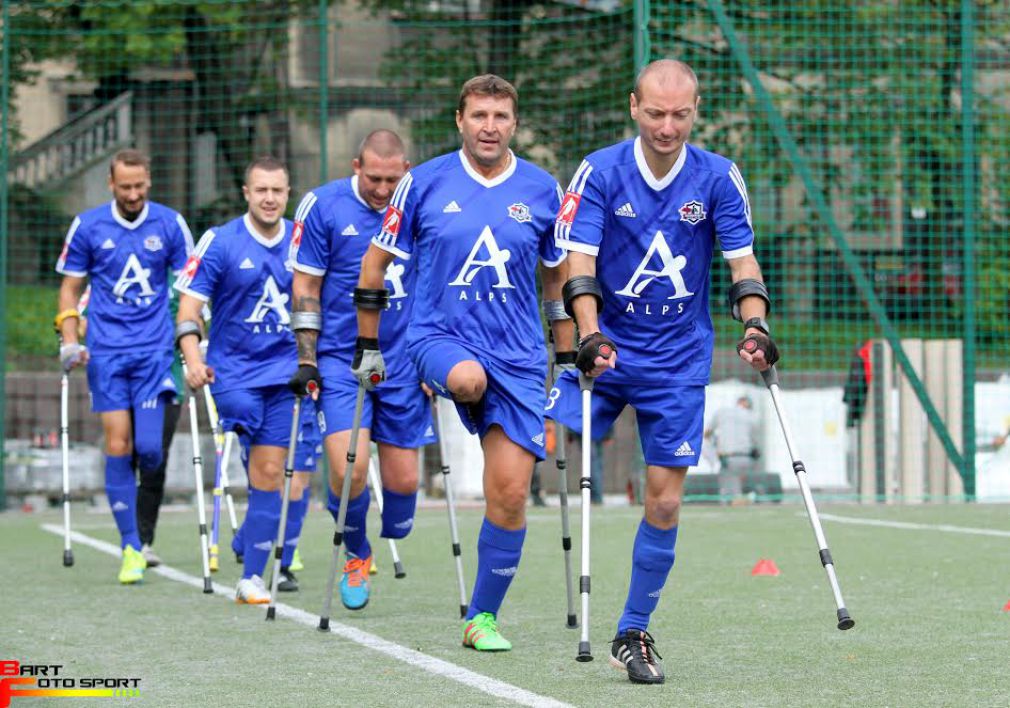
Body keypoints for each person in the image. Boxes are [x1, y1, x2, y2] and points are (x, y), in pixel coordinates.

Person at [547, 59, 779, 684]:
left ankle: (633, 630)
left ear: (695, 111)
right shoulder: (600, 170)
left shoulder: (718, 177)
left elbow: (742, 264)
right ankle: (487, 603)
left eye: (680, 114)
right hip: (608, 349)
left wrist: (754, 326)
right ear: (633, 106)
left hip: (677, 362)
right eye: (656, 113)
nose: (667, 126)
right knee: (533, 449)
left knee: (666, 501)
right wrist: (589, 334)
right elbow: (579, 260)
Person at [352, 75, 574, 651]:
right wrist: (369, 345)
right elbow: (373, 268)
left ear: (514, 124)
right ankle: (457, 395)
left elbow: (556, 277)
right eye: (479, 115)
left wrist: (568, 348)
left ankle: (481, 618)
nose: (490, 127)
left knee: (509, 494)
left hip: (521, 357)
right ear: (460, 120)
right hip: (438, 338)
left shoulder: (543, 189)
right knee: (467, 378)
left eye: (501, 116)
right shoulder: (421, 184)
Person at [288, 129, 433, 611]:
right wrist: (307, 360)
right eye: (374, 178)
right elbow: (306, 286)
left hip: (404, 358)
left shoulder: (421, 203)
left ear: (406, 170)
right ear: (356, 166)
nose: (383, 189)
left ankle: (385, 529)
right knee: (348, 467)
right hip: (339, 357)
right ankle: (357, 551)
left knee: (404, 487)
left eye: (393, 179)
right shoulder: (322, 206)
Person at [174, 156, 320, 604]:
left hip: (285, 375)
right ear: (246, 192)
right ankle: (257, 532)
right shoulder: (220, 242)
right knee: (256, 451)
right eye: (262, 190)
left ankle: (251, 577)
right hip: (234, 374)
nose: (270, 199)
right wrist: (194, 359)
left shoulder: (304, 240)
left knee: (272, 473)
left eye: (278, 190)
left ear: (288, 191)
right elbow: (188, 312)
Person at [54, 149, 194, 584]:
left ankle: (137, 534)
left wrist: (189, 341)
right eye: (125, 187)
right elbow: (70, 287)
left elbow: (189, 284)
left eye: (140, 186)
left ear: (148, 182)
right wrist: (71, 340)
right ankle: (132, 546)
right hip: (108, 353)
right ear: (111, 185)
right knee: (118, 446)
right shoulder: (89, 226)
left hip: (154, 353)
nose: (133, 194)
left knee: (149, 451)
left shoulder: (170, 224)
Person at [705, 395, 760, 504]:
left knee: (729, 496)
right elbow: (755, 441)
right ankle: (749, 498)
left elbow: (706, 433)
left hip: (728, 459)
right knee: (738, 490)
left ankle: (745, 500)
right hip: (747, 458)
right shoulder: (752, 417)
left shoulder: (722, 412)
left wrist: (714, 443)